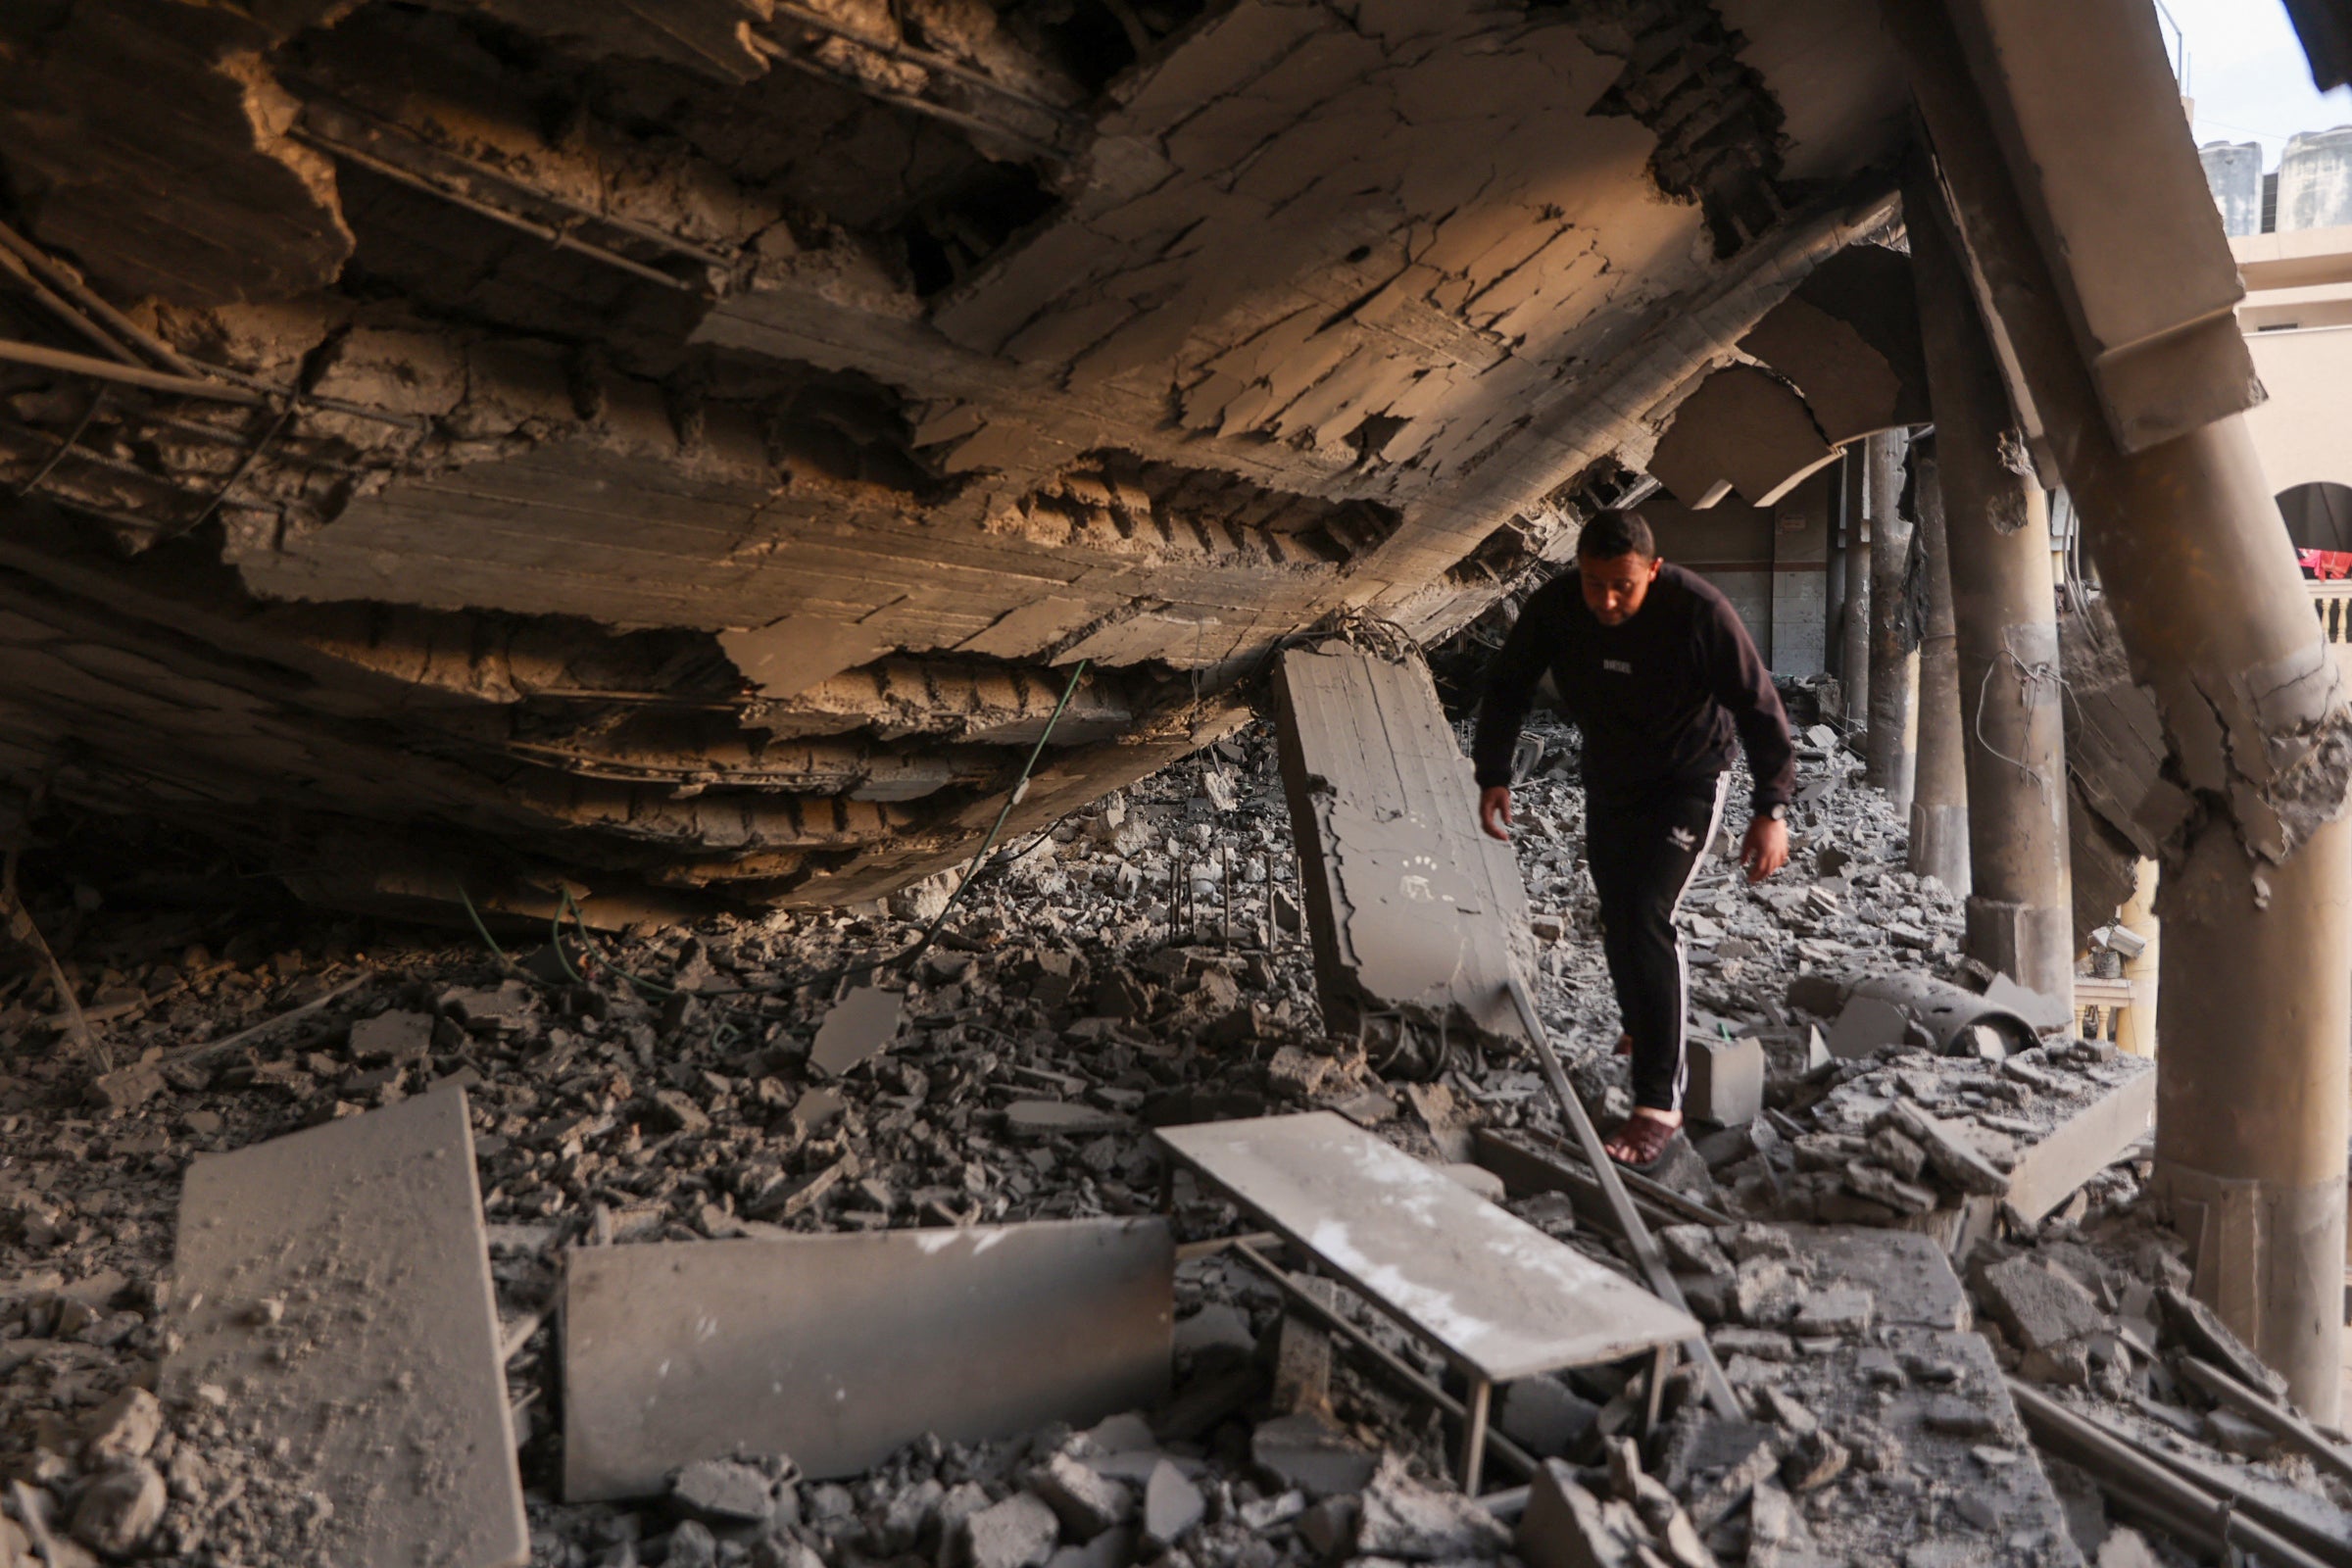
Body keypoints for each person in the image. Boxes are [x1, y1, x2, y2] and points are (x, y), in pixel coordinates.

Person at [1472, 509, 1794, 1168]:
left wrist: (1772, 809)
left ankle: (1658, 1103)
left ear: (1653, 569)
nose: (1608, 602)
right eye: (1595, 584)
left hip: (1690, 778)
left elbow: (1759, 706)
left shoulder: (1698, 610)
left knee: (1649, 916)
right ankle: (1644, 1025)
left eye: (1623, 586)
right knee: (1617, 914)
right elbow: (1507, 687)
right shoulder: (1558, 607)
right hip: (1612, 778)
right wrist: (1494, 774)